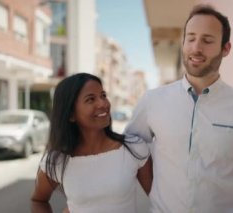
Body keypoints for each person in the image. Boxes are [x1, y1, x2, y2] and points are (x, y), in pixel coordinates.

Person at [125, 5, 233, 213]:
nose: (196, 48)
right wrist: (155, 193)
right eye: (190, 38)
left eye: (207, 40)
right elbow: (130, 152)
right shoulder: (152, 101)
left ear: (226, 48)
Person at [31, 73, 152, 213]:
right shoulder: (57, 160)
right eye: (90, 99)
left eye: (103, 95)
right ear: (71, 114)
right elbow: (38, 200)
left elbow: (160, 199)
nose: (103, 103)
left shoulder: (133, 148)